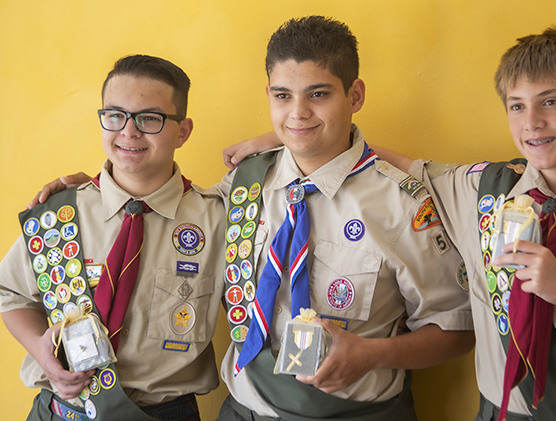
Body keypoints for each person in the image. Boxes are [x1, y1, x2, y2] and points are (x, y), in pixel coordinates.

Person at [226, 24, 556, 421]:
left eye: (552, 101)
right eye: (517, 106)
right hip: (499, 413)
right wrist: (290, 130)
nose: (532, 121)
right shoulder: (483, 191)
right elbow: (387, 162)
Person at [28, 16, 474, 421]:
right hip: (244, 409)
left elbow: (456, 328)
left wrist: (373, 354)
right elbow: (163, 212)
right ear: (269, 97)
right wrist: (98, 185)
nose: (297, 112)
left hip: (357, 413)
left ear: (354, 95)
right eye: (283, 96)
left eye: (318, 94)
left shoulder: (402, 204)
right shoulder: (243, 185)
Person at [0, 55, 226, 421]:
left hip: (163, 413)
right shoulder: (60, 213)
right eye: (115, 115)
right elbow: (13, 294)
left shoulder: (218, 220)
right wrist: (41, 352)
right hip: (62, 410)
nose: (129, 132)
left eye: (150, 118)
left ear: (183, 131)